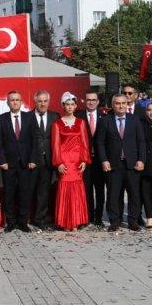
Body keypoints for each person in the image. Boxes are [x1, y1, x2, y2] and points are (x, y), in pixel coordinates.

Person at [95, 93, 146, 232]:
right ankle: (114, 221)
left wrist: (141, 159)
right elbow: (100, 142)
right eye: (117, 103)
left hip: (132, 164)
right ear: (113, 105)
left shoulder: (134, 120)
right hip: (113, 164)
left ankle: (133, 221)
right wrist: (104, 160)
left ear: (127, 104)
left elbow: (141, 141)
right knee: (113, 194)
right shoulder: (105, 120)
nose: (121, 106)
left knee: (134, 194)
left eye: (123, 103)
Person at [0, 91, 35, 232]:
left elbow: (35, 140)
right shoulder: (1, 119)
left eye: (17, 100)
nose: (15, 102)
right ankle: (10, 222)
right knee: (9, 194)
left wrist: (33, 159)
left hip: (25, 163)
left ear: (21, 102)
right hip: (8, 164)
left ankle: (23, 222)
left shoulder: (29, 117)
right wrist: (2, 160)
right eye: (12, 100)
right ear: (8, 102)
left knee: (24, 193)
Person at [51, 92, 90, 231]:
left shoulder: (81, 122)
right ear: (63, 106)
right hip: (65, 161)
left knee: (77, 189)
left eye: (72, 104)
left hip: (77, 161)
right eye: (67, 104)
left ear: (75, 106)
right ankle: (65, 221)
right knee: (65, 188)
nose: (70, 107)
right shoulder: (57, 123)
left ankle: (76, 221)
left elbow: (85, 142)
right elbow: (55, 145)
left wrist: (84, 160)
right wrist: (59, 163)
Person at [29, 90, 59, 231]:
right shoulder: (27, 117)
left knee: (44, 192)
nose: (42, 104)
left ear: (48, 102)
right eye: (40, 101)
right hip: (32, 161)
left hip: (49, 161)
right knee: (30, 190)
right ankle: (27, 217)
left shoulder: (55, 116)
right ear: (35, 101)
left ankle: (40, 219)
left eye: (45, 101)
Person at [76, 92, 106, 227]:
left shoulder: (105, 117)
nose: (91, 102)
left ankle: (98, 217)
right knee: (86, 189)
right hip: (84, 160)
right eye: (88, 100)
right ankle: (87, 217)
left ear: (98, 102)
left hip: (100, 160)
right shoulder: (78, 117)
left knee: (100, 190)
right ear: (84, 101)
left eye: (94, 100)